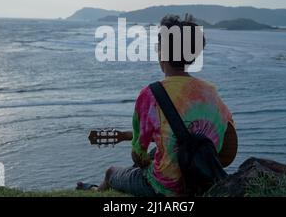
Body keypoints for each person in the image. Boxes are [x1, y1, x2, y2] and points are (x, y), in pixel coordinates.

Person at [97, 14, 234, 196]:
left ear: (162, 52)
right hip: (203, 182)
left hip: (165, 188)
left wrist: (145, 160)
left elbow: (139, 156)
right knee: (157, 151)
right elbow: (226, 143)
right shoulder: (211, 93)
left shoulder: (150, 94)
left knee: (111, 172)